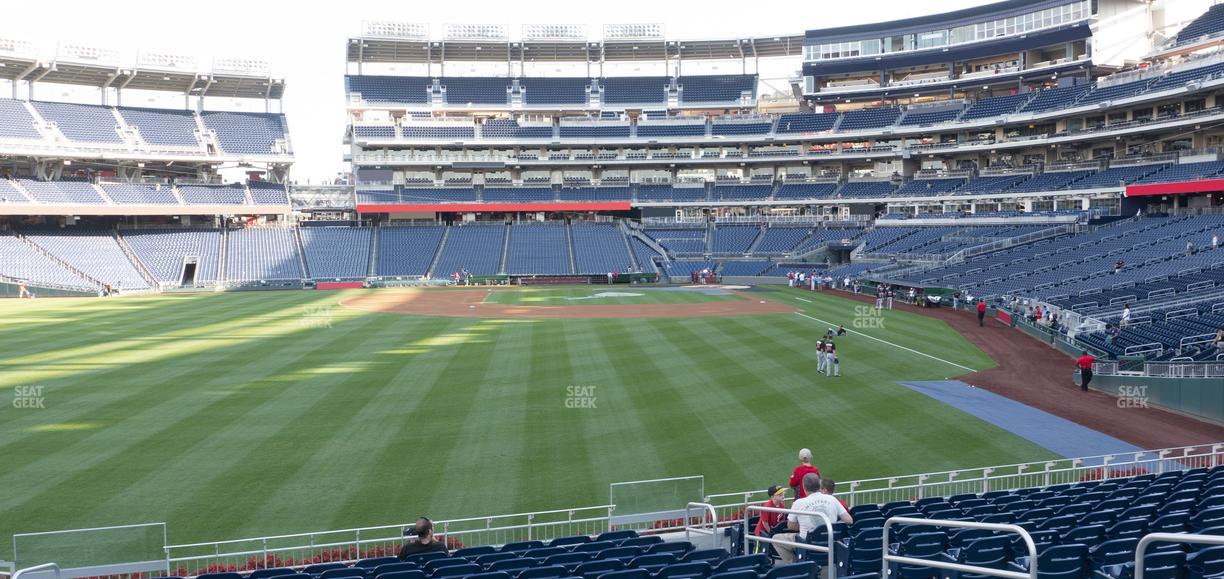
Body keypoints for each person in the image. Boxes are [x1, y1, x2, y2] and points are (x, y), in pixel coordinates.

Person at [773, 474, 853, 564]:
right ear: (819, 486)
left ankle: (795, 566)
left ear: (804, 487)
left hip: (807, 544)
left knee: (776, 539)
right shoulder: (832, 499)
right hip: (830, 541)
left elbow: (790, 525)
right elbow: (849, 520)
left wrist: (809, 527)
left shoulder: (798, 503)